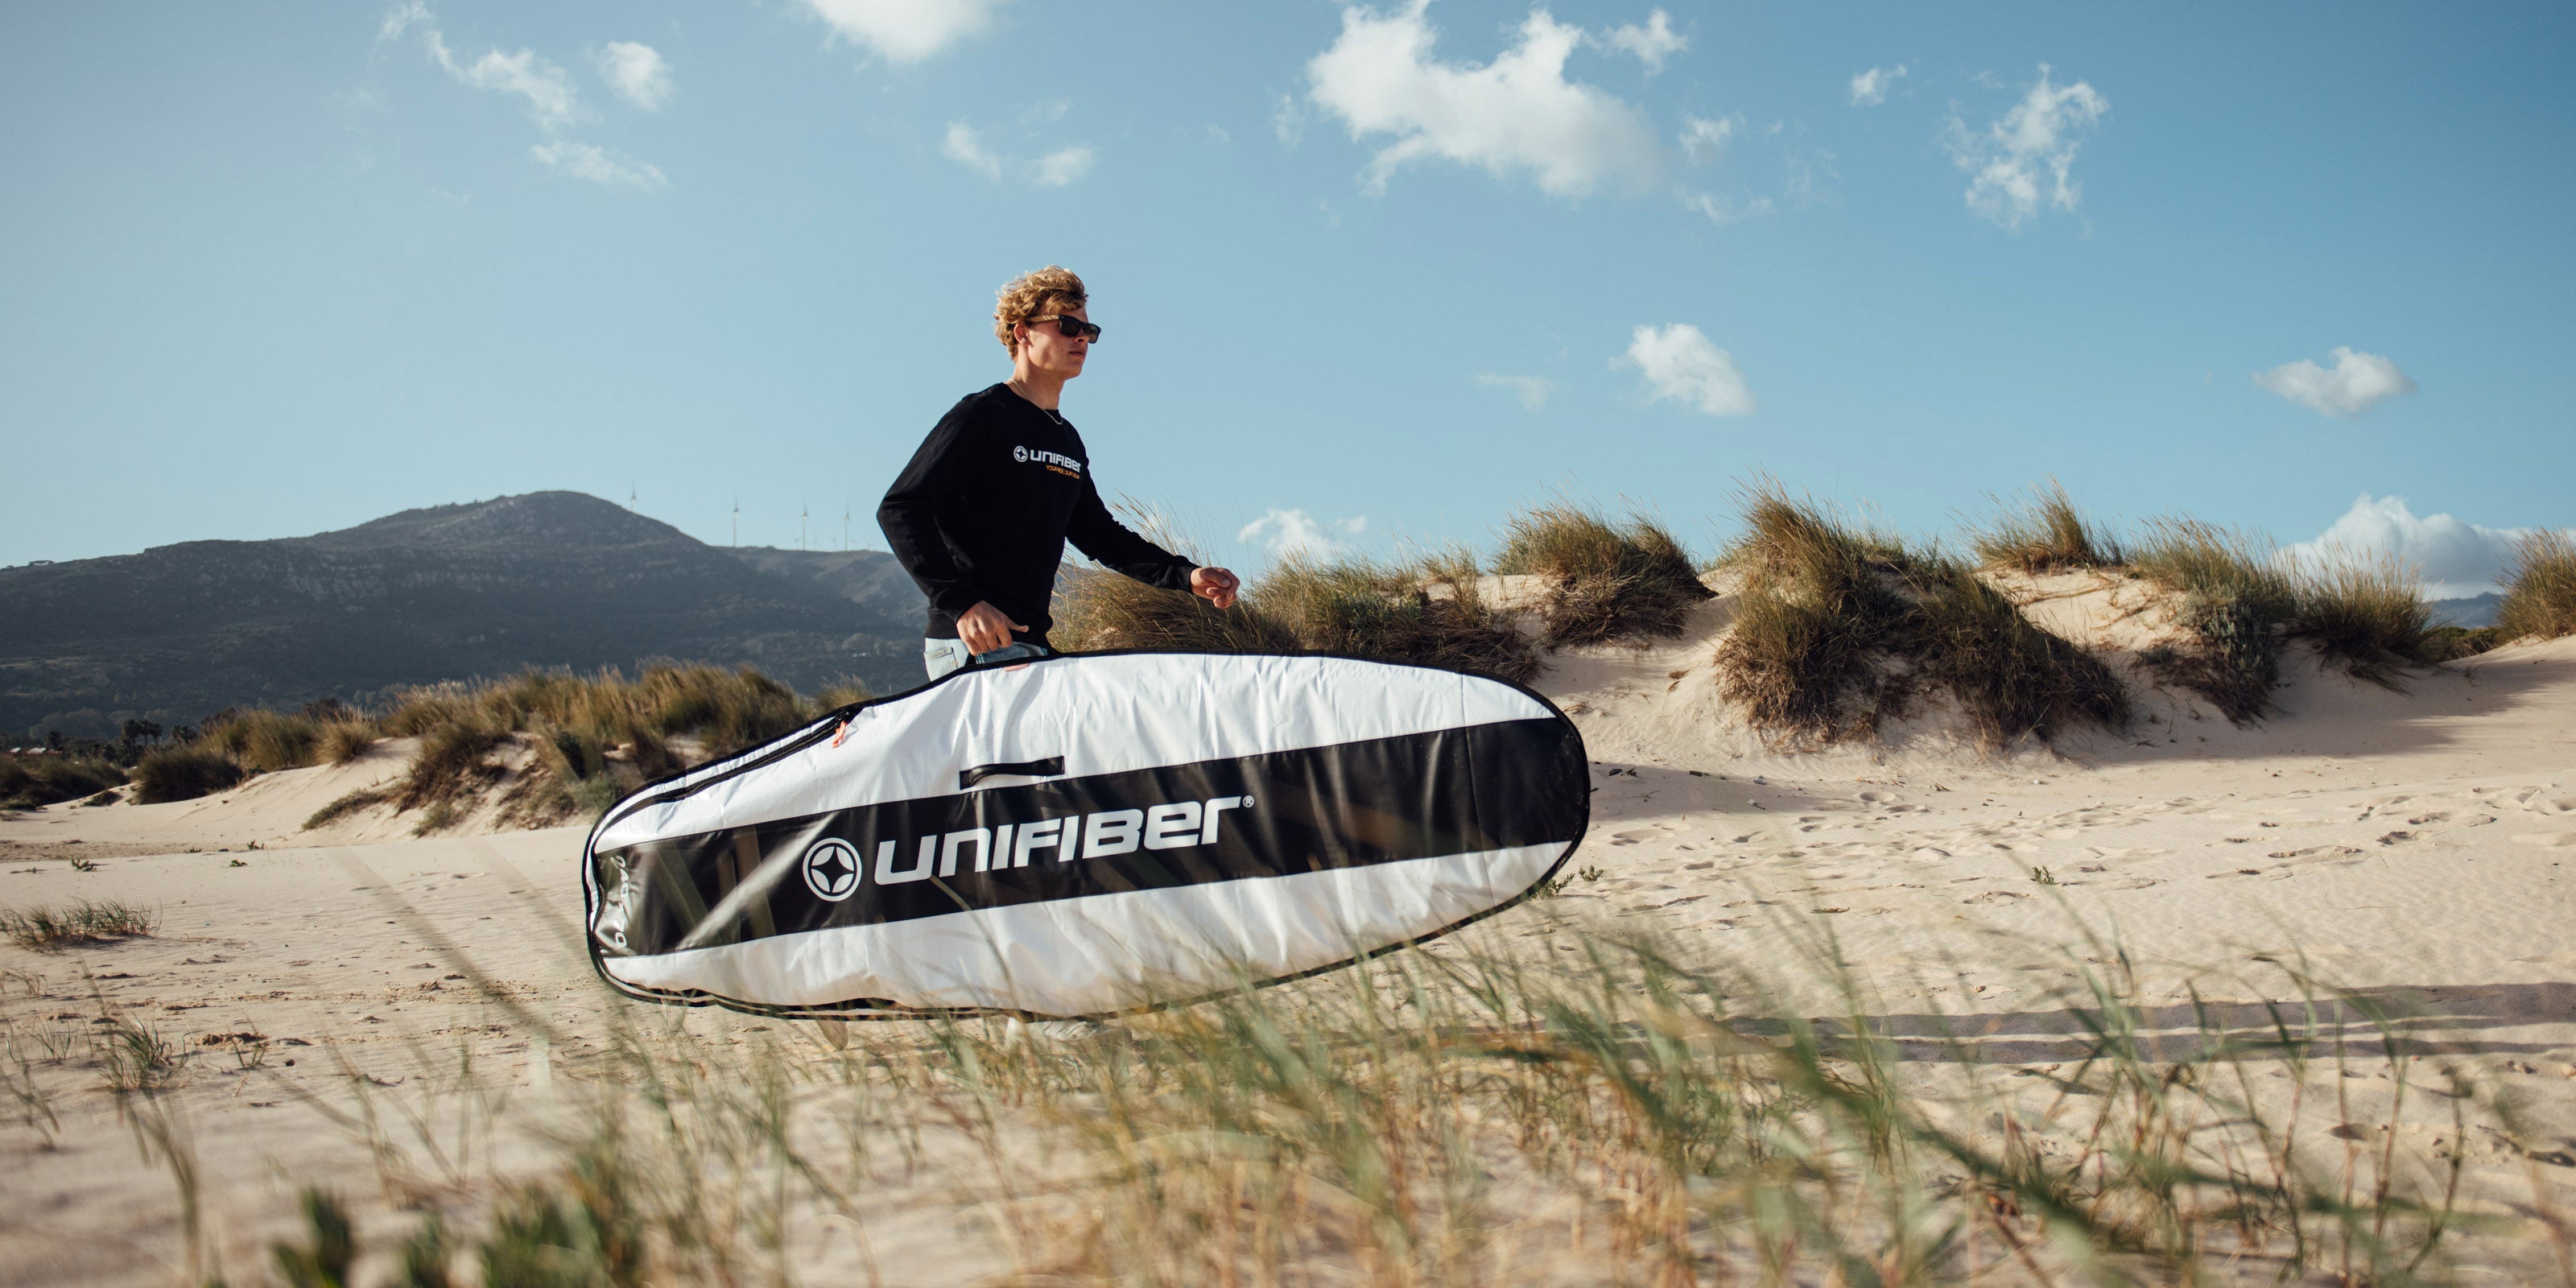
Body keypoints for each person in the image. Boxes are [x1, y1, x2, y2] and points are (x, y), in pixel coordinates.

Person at [877, 266, 1240, 680]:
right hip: (976, 644)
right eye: (1067, 325)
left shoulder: (1066, 439)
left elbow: (1099, 534)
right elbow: (901, 506)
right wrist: (962, 604)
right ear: (1022, 332)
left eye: (1090, 330)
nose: (1081, 338)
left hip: (1031, 642)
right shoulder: (982, 416)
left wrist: (1186, 575)